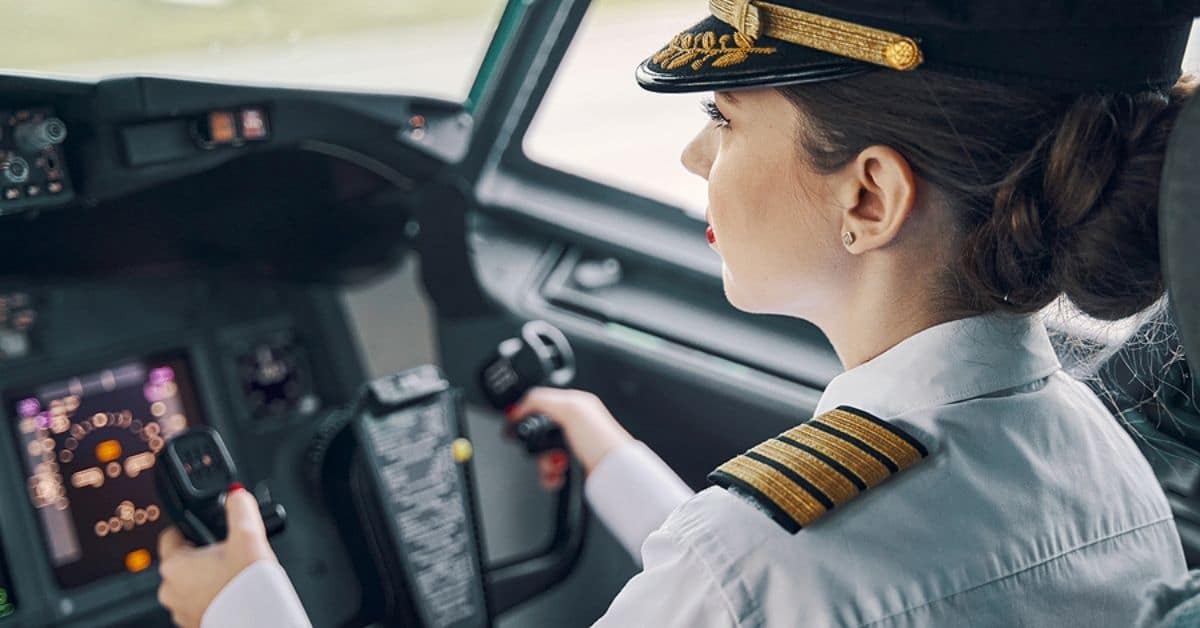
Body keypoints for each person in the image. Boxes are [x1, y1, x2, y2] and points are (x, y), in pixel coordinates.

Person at [157, 1, 1200, 626]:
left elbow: (763, 582)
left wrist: (240, 597)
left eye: (722, 116)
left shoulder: (754, 561)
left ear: (868, 197)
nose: (695, 156)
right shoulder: (1103, 461)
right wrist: (609, 454)